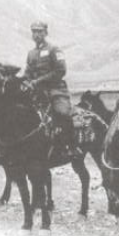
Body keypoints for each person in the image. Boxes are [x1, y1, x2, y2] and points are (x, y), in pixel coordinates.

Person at [23, 21, 80, 158]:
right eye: (34, 32)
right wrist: (24, 81)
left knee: (62, 113)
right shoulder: (31, 53)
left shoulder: (54, 49)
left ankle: (71, 146)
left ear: (46, 33)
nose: (36, 34)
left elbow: (60, 71)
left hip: (55, 90)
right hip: (36, 92)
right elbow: (27, 72)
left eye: (39, 31)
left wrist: (37, 81)